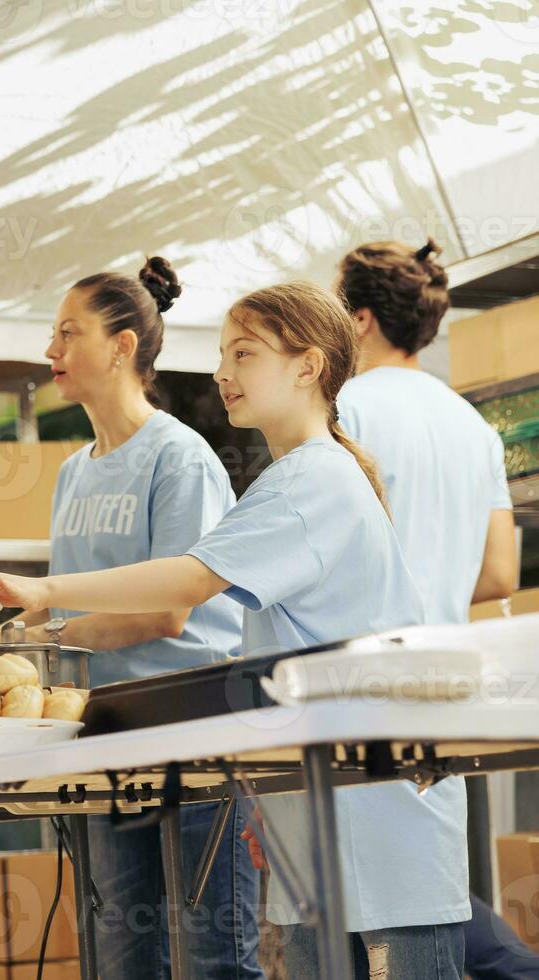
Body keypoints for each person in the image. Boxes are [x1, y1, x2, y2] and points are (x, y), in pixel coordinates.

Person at [0, 282, 465, 979]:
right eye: (223, 353)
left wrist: (44, 593)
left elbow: (190, 582)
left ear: (308, 367)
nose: (223, 372)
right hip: (323, 828)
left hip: (377, 832)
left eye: (244, 354)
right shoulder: (294, 477)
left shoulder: (314, 479)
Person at [30, 257, 260, 978]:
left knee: (215, 958)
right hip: (105, 735)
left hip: (195, 733)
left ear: (123, 346)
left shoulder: (180, 459)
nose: (52, 351)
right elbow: (72, 604)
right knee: (122, 958)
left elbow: (167, 608)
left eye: (69, 334)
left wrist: (38, 632)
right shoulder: (73, 470)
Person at [334, 238, 520, 976]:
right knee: (429, 913)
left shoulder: (343, 407)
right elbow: (500, 571)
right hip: (444, 698)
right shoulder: (471, 426)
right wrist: (434, 575)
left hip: (355, 696)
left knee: (357, 931)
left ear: (359, 320)